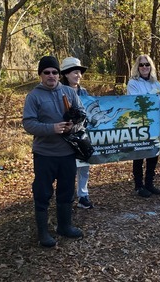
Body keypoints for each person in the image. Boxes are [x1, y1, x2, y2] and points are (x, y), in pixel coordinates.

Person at [23, 55, 84, 247]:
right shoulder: (34, 96)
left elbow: (82, 117)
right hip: (44, 154)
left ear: (59, 74)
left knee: (66, 191)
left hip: (67, 152)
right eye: (47, 72)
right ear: (40, 74)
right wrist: (52, 128)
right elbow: (29, 123)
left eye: (54, 72)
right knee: (42, 193)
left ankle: (64, 226)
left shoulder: (70, 93)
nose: (51, 75)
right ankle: (43, 233)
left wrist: (72, 127)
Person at [126, 54, 160, 197]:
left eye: (147, 64)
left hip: (154, 124)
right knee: (139, 154)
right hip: (139, 123)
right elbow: (136, 102)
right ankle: (138, 185)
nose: (144, 67)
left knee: (153, 154)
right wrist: (151, 96)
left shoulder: (157, 84)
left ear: (151, 66)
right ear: (137, 67)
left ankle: (149, 183)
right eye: (141, 65)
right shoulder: (133, 83)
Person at [60, 56, 94, 209]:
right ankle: (67, 197)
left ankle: (83, 195)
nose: (78, 76)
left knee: (84, 165)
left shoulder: (84, 92)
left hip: (82, 134)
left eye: (80, 73)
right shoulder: (59, 92)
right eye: (75, 72)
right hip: (64, 136)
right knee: (68, 168)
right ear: (66, 74)